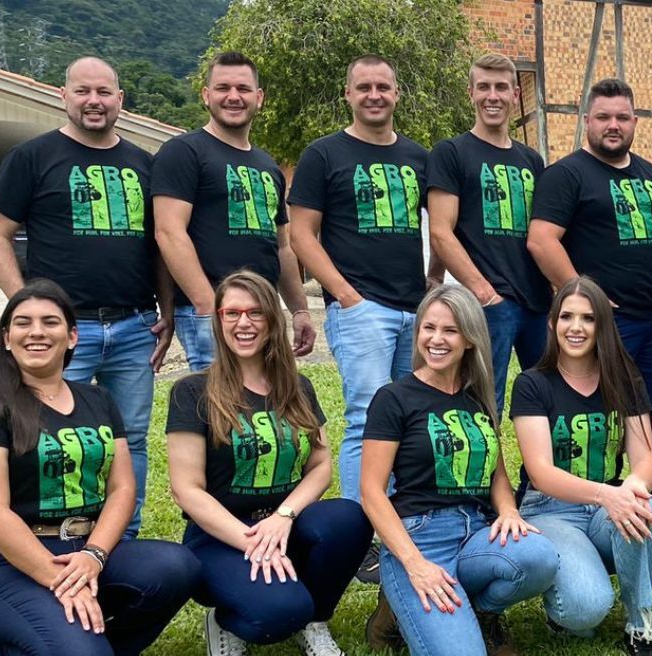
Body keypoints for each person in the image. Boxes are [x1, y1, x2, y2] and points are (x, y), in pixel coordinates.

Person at [0, 56, 171, 538]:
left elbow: (162, 244)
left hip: (133, 325)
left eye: (104, 92)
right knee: (49, 437)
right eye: (83, 91)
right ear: (63, 95)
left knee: (131, 440)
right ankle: (48, 536)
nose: (94, 101)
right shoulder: (31, 158)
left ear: (120, 100)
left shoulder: (145, 164)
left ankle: (122, 538)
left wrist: (166, 310)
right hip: (67, 331)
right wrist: (28, 311)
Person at [0, 280, 198, 655]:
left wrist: (94, 555)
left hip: (87, 547)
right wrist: (61, 580)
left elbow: (122, 489)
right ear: (6, 338)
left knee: (176, 568)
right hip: (14, 559)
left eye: (50, 322)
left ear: (71, 337)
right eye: (23, 323)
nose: (36, 331)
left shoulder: (98, 399)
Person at [165, 271, 373, 656]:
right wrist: (252, 542)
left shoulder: (297, 387)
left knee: (348, 518)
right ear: (219, 320)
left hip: (281, 526)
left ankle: (315, 620)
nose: (244, 323)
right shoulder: (192, 392)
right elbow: (186, 490)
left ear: (272, 321)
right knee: (279, 613)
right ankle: (227, 621)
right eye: (232, 313)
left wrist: (284, 516)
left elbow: (321, 464)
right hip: (219, 537)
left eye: (255, 313)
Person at [359, 285, 559, 656]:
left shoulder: (477, 397)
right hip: (420, 538)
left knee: (540, 558)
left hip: (474, 533)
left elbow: (497, 473)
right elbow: (371, 492)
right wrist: (415, 565)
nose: (436, 339)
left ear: (469, 338)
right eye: (428, 328)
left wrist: (509, 511)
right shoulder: (394, 398)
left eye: (450, 330)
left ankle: (481, 611)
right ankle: (395, 607)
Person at [528, 78, 652, 504]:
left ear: (635, 122)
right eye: (603, 117)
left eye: (622, 117)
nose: (613, 125)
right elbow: (541, 240)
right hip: (603, 321)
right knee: (604, 412)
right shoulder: (565, 176)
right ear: (587, 121)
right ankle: (590, 493)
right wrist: (585, 300)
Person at [289, 54, 432, 508]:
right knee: (366, 418)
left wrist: (434, 282)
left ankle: (405, 514)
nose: (375, 95)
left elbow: (443, 225)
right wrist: (348, 296)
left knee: (413, 413)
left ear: (397, 94)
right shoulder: (324, 154)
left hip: (416, 309)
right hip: (361, 310)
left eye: (383, 87)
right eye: (364, 87)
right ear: (348, 94)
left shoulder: (418, 157)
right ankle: (360, 529)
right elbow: (301, 234)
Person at [512, 277, 652, 656]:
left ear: (603, 326)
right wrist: (609, 496)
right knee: (583, 612)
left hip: (607, 504)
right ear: (552, 324)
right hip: (549, 509)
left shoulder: (624, 379)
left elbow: (645, 460)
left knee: (648, 507)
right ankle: (563, 601)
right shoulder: (533, 384)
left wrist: (630, 489)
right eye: (566, 317)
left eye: (588, 318)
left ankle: (639, 620)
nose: (576, 328)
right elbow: (541, 472)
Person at [154, 51, 315, 372]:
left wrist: (299, 311)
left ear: (259, 98)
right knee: (220, 415)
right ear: (206, 95)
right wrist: (206, 305)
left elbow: (281, 245)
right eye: (223, 88)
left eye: (242, 89)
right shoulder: (183, 152)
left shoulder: (267, 165)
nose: (233, 97)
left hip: (264, 312)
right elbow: (169, 232)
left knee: (266, 410)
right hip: (213, 313)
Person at [429, 53, 551, 412]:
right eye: (483, 87)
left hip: (537, 303)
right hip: (490, 303)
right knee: (484, 401)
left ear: (516, 94)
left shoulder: (532, 160)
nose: (492, 96)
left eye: (501, 87)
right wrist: (483, 293)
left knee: (548, 398)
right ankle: (486, 471)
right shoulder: (451, 153)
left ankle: (540, 471)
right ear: (470, 93)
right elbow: (440, 231)